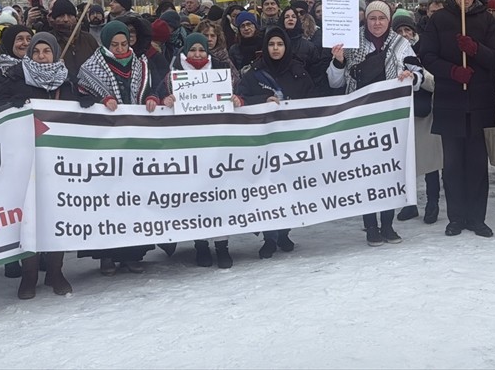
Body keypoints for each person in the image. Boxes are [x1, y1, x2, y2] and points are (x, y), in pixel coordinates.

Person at [0, 32, 77, 297]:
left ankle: (55, 271)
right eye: (35, 52)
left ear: (55, 53)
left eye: (46, 51)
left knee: (57, 214)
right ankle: (29, 274)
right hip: (24, 160)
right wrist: (9, 105)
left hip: (58, 161)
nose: (40, 56)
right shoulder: (14, 77)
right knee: (28, 216)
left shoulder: (66, 80)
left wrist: (86, 105)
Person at [327, 1, 422, 246]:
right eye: (372, 18)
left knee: (389, 172)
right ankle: (371, 225)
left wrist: (410, 76)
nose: (377, 22)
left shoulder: (402, 44)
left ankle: (388, 225)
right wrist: (338, 61)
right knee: (367, 172)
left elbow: (420, 74)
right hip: (360, 119)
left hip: (391, 119)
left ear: (389, 20)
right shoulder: (350, 43)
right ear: (365, 20)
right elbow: (336, 83)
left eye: (382, 18)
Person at [419, 0, 495, 238]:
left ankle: (477, 218)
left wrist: (476, 49)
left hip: (480, 103)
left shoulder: (488, 20)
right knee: (453, 164)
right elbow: (427, 56)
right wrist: (452, 71)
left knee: (478, 165)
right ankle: (456, 217)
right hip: (449, 102)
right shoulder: (439, 20)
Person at [156, 33, 244, 267]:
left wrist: (238, 100)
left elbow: (243, 93)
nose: (197, 54)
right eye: (192, 49)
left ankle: (222, 246)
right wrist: (166, 99)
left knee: (219, 197)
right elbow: (153, 95)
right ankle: (201, 245)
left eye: (201, 50)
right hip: (188, 147)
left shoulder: (222, 72)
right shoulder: (174, 74)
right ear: (185, 51)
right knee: (197, 197)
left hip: (218, 146)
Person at [75, 21, 156, 275]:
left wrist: (152, 98)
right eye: (115, 45)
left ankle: (133, 253)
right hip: (106, 143)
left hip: (136, 143)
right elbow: (81, 93)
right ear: (106, 44)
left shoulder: (140, 63)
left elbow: (150, 90)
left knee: (135, 198)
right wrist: (101, 99)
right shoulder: (92, 67)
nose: (120, 49)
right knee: (109, 199)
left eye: (124, 43)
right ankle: (107, 256)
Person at [236, 26, 317, 256]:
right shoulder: (254, 73)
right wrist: (263, 99)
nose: (275, 48)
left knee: (288, 189)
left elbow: (312, 101)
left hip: (292, 143)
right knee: (267, 190)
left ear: (286, 47)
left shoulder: (299, 72)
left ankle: (284, 233)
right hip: (263, 144)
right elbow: (240, 99)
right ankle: (269, 237)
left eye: (280, 44)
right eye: (271, 44)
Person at [391, 12, 443, 223]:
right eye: (399, 31)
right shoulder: (390, 54)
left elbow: (434, 83)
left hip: (424, 115)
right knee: (405, 165)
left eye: (407, 30)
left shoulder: (425, 51)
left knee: (430, 164)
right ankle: (409, 204)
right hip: (401, 115)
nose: (404, 35)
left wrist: (418, 75)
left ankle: (433, 204)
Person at [47, 0, 100, 81]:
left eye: (70, 15)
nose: (66, 19)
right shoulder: (49, 41)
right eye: (61, 16)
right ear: (54, 18)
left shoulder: (88, 39)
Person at [0, 25, 33, 100]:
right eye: (20, 39)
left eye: (29, 39)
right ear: (9, 43)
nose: (26, 43)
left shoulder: (42, 71)